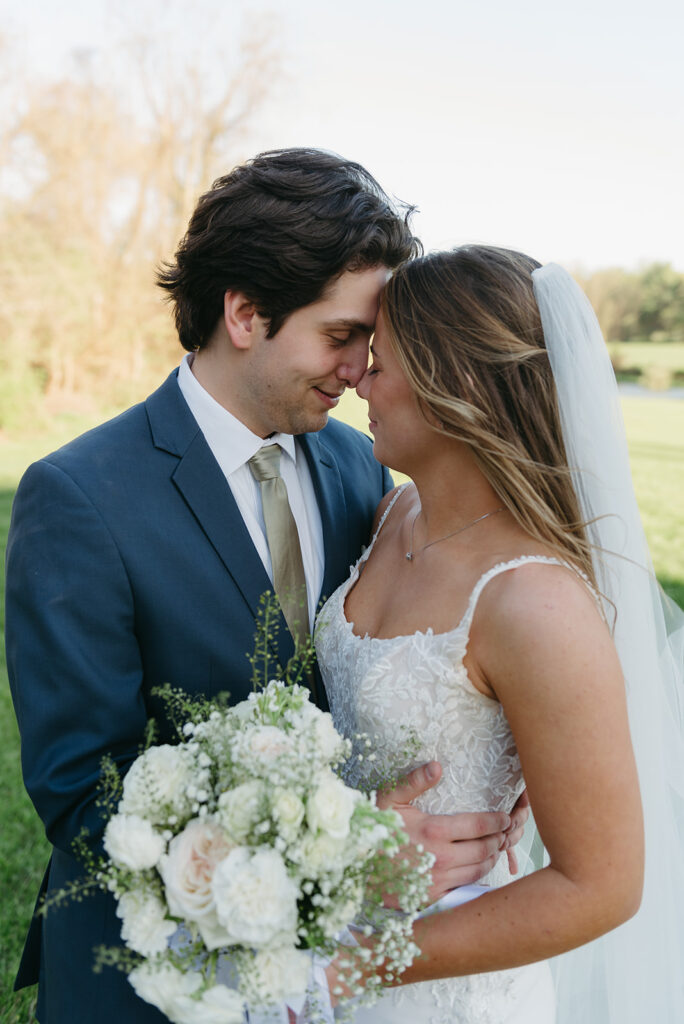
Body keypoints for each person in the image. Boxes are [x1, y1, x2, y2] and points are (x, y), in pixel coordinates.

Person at [5, 153, 528, 1024]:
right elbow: (83, 795)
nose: (364, 368)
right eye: (341, 335)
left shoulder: (360, 465)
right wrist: (341, 854)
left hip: (342, 975)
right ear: (245, 314)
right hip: (153, 979)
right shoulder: (79, 497)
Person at [316, 245, 684, 1022]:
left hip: (443, 989)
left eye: (381, 364)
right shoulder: (391, 516)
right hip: (325, 935)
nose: (360, 383)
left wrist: (354, 965)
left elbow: (603, 887)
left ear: (455, 384)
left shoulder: (532, 602)